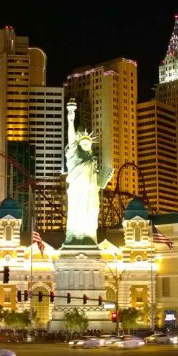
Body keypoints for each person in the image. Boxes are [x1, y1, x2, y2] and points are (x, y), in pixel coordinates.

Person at [63, 99, 112, 246]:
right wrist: (71, 117)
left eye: (87, 143)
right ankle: (74, 240)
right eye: (82, 143)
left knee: (90, 215)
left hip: (90, 196)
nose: (85, 144)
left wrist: (104, 180)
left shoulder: (92, 163)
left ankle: (89, 239)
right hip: (77, 193)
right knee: (76, 216)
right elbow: (71, 140)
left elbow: (96, 185)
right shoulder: (74, 156)